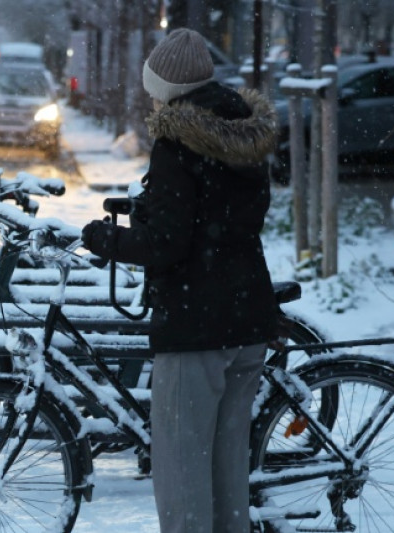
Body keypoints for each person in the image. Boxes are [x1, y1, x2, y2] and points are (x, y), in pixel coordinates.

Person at [80, 28, 279, 533]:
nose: (149, 95)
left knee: (183, 476)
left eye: (153, 86)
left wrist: (107, 239)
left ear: (168, 88)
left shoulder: (176, 144)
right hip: (246, 317)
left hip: (195, 329)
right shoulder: (242, 133)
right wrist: (154, 207)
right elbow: (227, 213)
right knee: (228, 471)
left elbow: (166, 246)